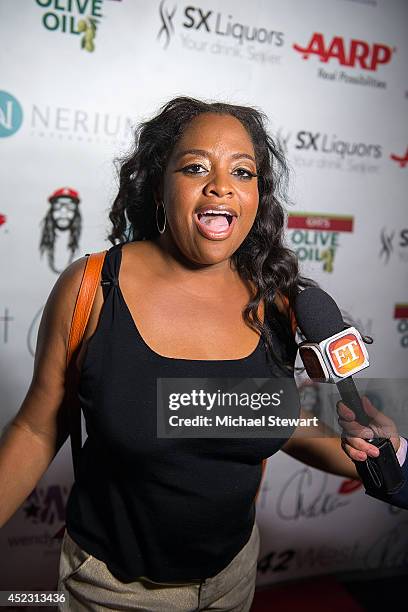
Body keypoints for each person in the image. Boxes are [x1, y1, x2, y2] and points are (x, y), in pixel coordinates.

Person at [0, 97, 405, 612]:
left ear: (258, 194)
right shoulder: (92, 288)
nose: (221, 185)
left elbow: (264, 419)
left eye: (242, 170)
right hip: (115, 589)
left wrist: (371, 452)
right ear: (158, 185)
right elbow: (36, 430)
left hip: (232, 579)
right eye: (195, 167)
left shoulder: (275, 298)